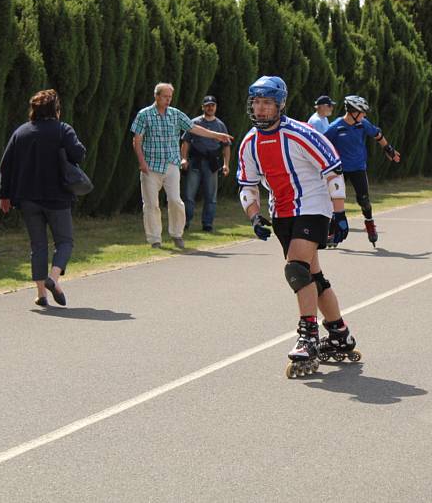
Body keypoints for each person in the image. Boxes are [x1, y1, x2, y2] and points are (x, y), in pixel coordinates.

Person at [237, 75, 359, 377]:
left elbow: (333, 170)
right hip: (282, 213)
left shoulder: (301, 134)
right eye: (257, 102)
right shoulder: (249, 142)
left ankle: (308, 337)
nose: (261, 109)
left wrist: (340, 214)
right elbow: (247, 186)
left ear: (280, 105)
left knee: (296, 270)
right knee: (313, 276)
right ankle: (340, 334)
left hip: (314, 206)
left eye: (267, 103)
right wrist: (254, 216)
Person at [0, 89, 86, 307]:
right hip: (57, 197)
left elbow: (6, 165)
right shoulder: (63, 129)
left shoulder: (21, 132)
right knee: (64, 241)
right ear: (55, 109)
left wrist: (4, 195)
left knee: (38, 245)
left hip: (28, 198)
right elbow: (79, 154)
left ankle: (41, 294)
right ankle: (53, 279)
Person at [130, 83, 232, 249]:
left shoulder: (175, 114)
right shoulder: (144, 115)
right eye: (165, 97)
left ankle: (177, 234)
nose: (168, 100)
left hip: (171, 164)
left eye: (170, 97)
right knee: (151, 204)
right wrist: (141, 163)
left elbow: (194, 128)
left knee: (176, 201)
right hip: (151, 165)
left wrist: (217, 135)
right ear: (156, 96)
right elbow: (137, 140)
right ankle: (155, 239)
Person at [323, 95, 400, 246]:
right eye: (362, 112)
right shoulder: (335, 127)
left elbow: (378, 135)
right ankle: (332, 233)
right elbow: (322, 144)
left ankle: (370, 225)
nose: (364, 115)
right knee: (334, 201)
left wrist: (389, 149)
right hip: (340, 170)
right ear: (353, 112)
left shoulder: (362, 124)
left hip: (358, 167)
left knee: (364, 200)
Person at [180, 95, 232, 232]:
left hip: (212, 164)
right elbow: (185, 142)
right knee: (189, 195)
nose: (210, 108)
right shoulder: (194, 122)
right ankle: (185, 222)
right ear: (203, 107)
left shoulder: (220, 125)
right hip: (195, 162)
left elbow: (226, 146)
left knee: (211, 197)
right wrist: (183, 159)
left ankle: (207, 224)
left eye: (212, 105)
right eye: (207, 105)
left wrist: (226, 164)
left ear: (216, 107)